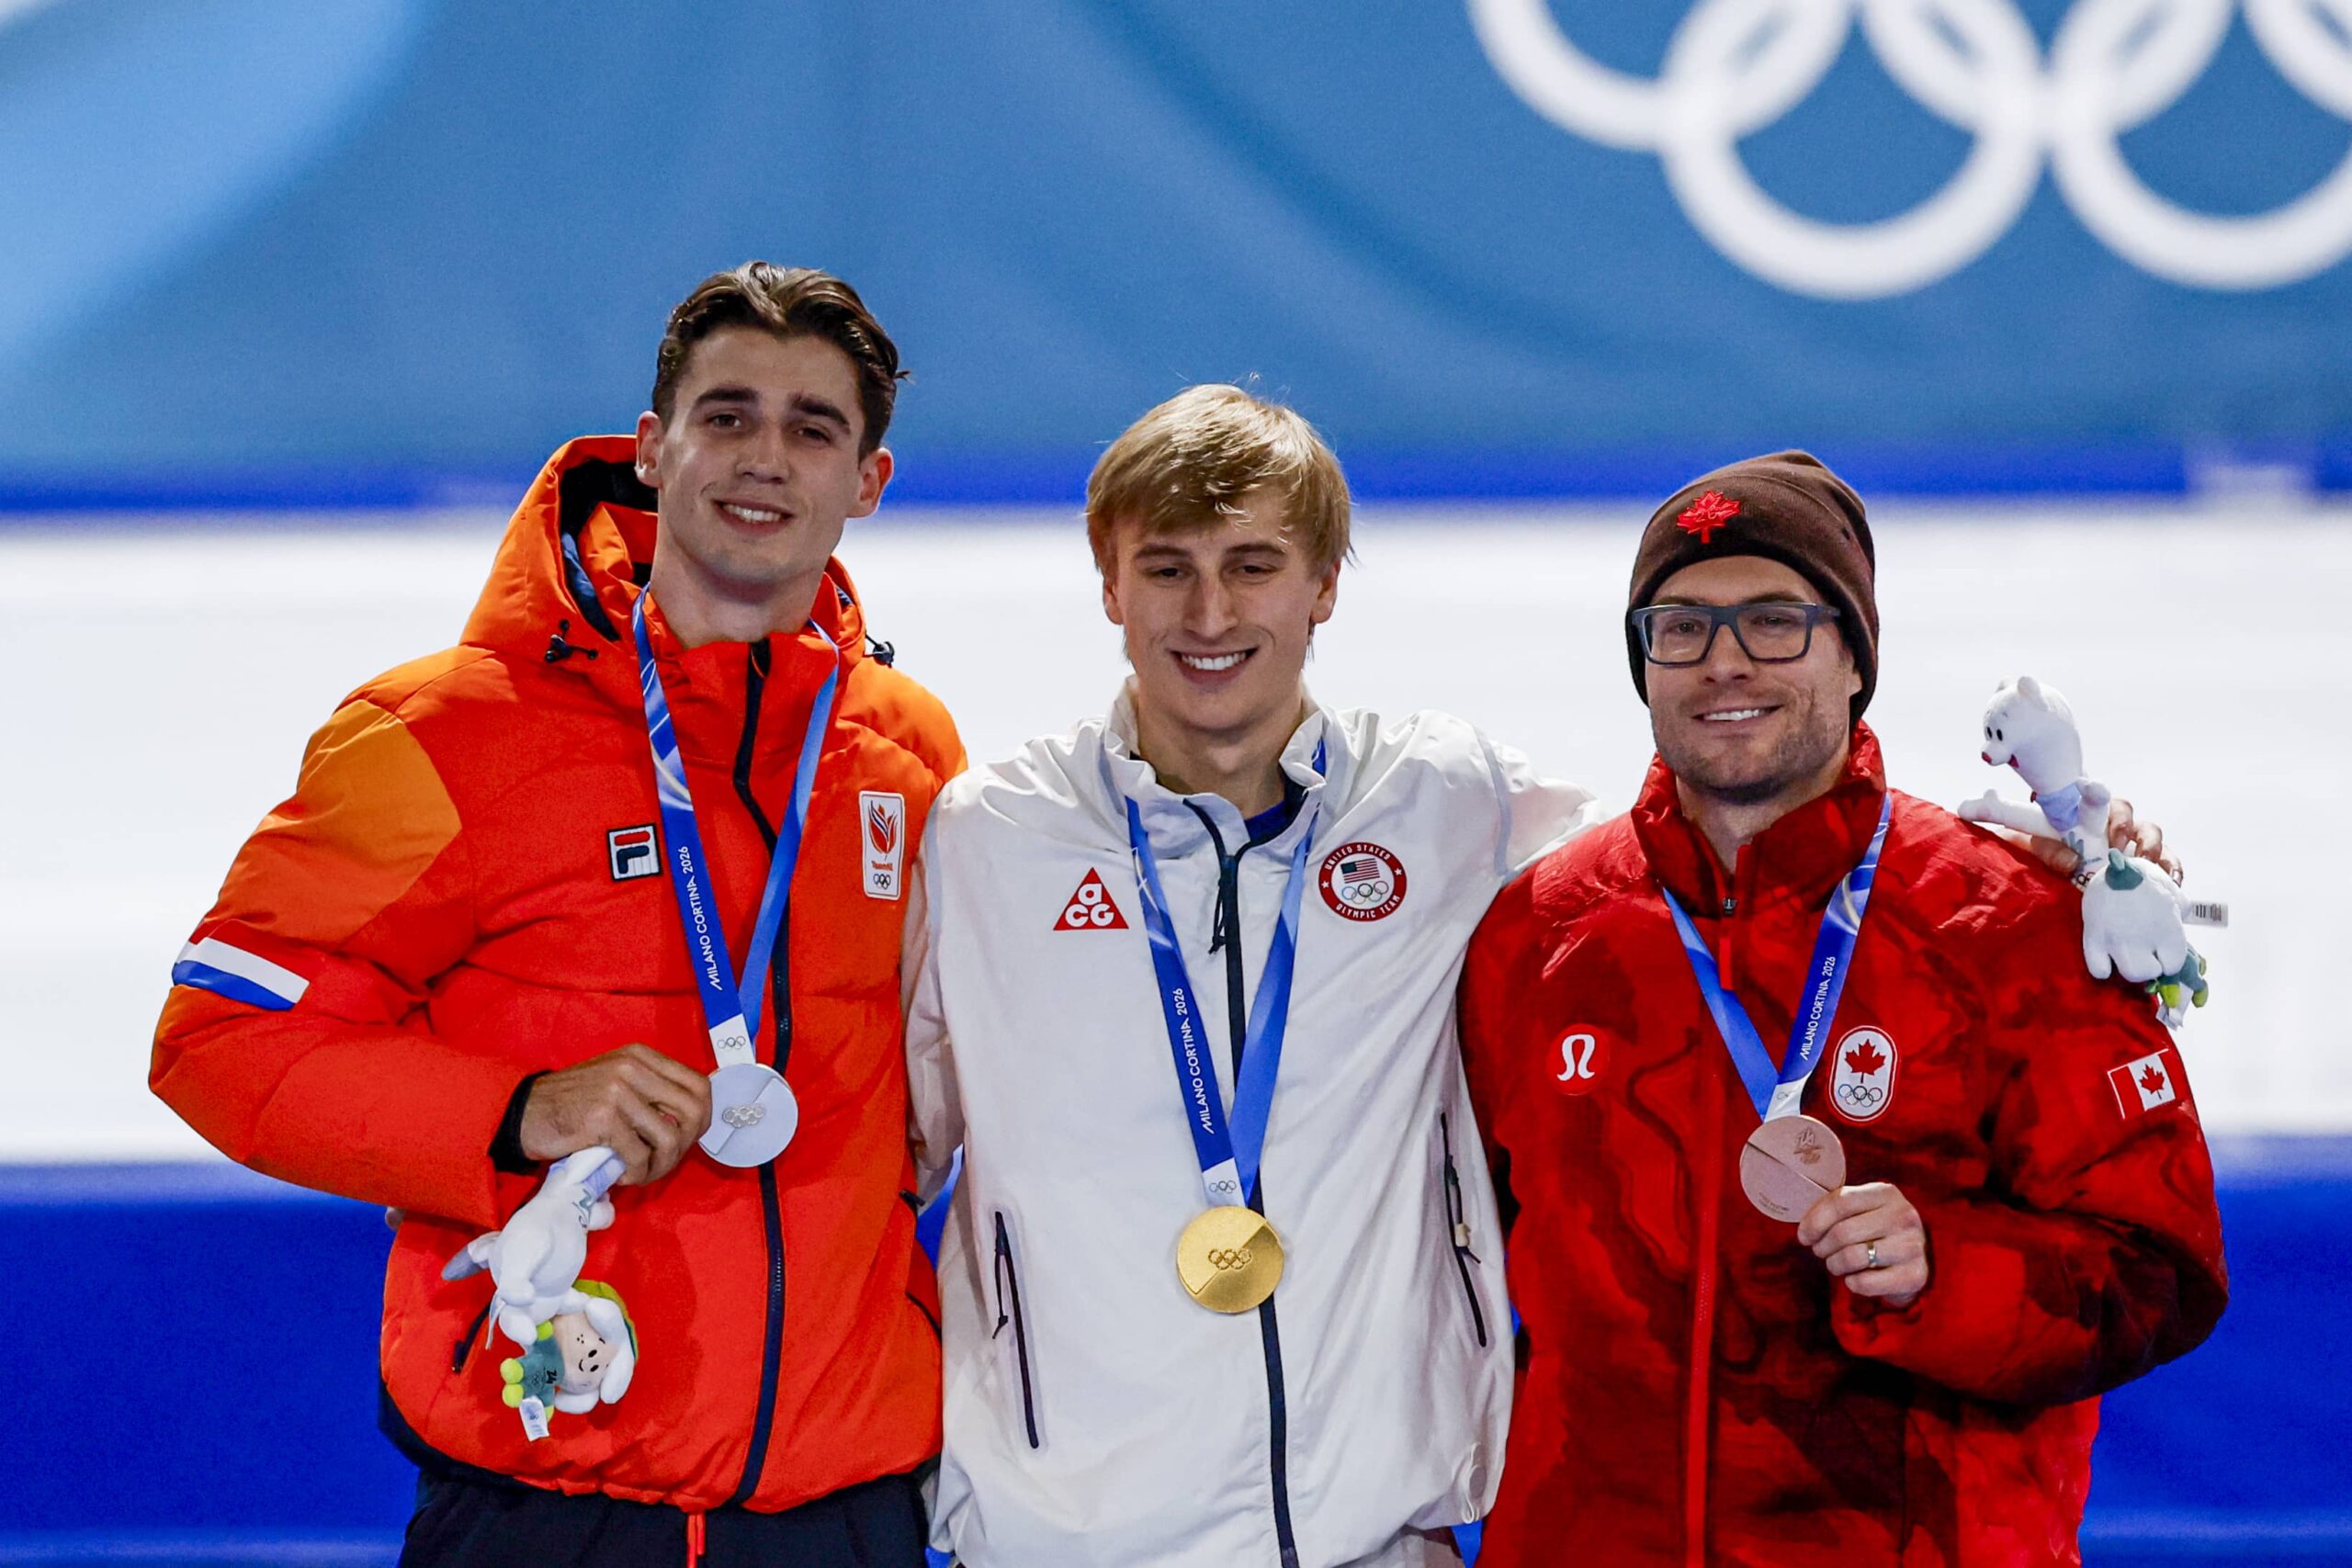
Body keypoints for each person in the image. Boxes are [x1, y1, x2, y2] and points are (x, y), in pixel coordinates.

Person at [151, 263, 963, 1566]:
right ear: (652, 447)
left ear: (867, 480)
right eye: (728, 414)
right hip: (551, 1497)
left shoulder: (903, 749)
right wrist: (519, 1110)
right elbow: (218, 1040)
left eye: (814, 427)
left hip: (847, 1504)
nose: (766, 458)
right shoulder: (444, 733)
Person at [1458, 452, 2228, 1566]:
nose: (1724, 664)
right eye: (1679, 626)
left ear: (1853, 654)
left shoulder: (2009, 922)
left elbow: (2161, 1270)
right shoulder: (1536, 933)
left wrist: (1944, 1269)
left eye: (1774, 621)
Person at [902, 385, 1599, 1566]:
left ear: (1324, 585)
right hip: (1069, 1540)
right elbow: (880, 1152)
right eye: (1166, 567)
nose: (1210, 612)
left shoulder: (1443, 800)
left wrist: (2004, 863)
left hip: (1375, 1536)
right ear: (1107, 585)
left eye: (1255, 564)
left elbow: (1675, 884)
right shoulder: (990, 842)